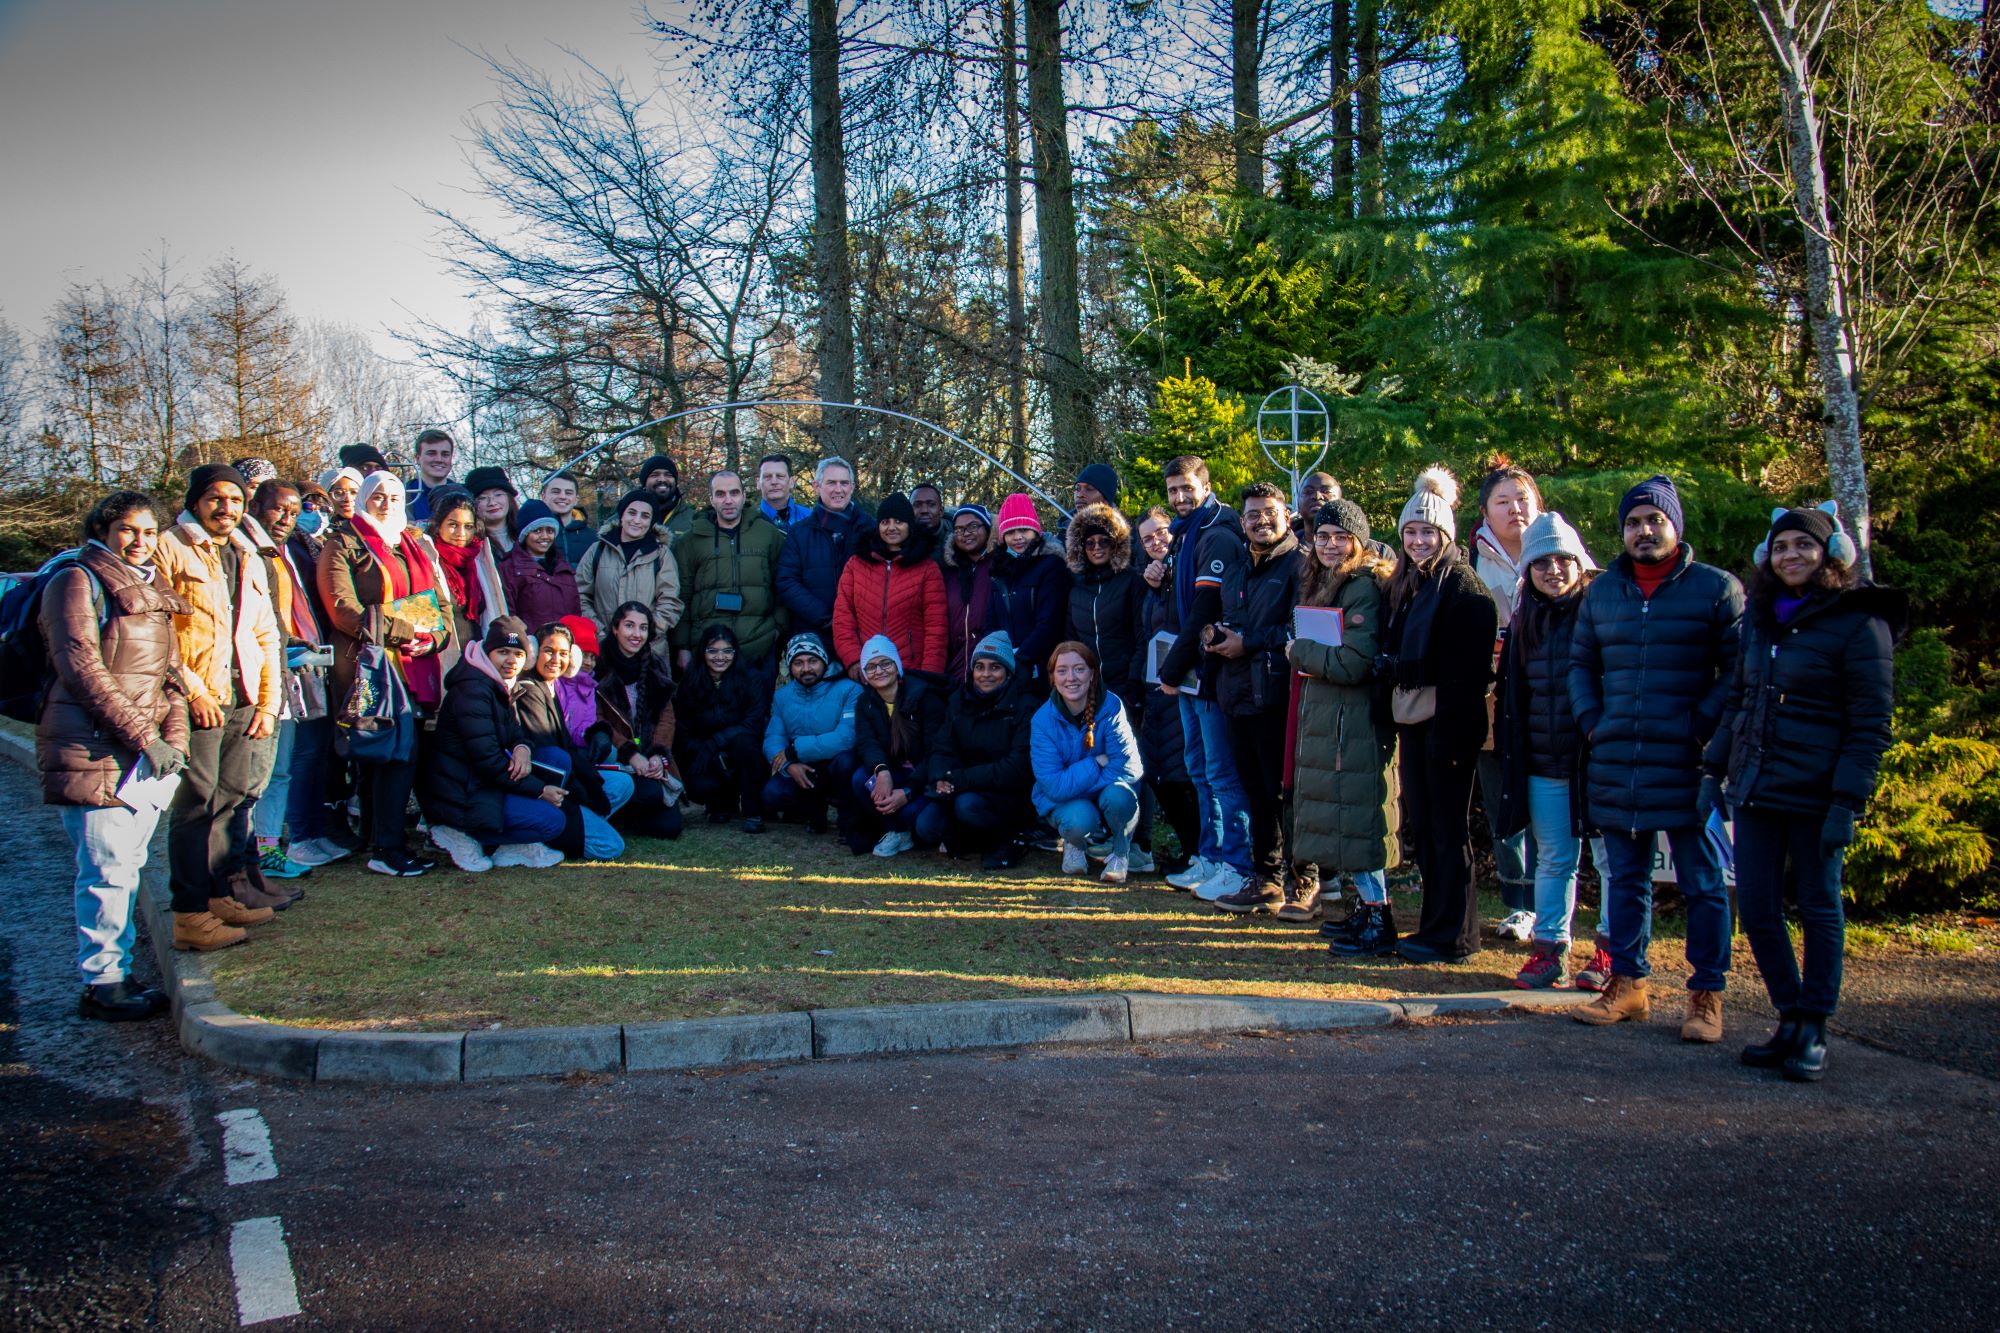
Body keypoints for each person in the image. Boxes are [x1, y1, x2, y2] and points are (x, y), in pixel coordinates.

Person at [1703, 505, 1901, 1081]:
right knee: (1760, 909)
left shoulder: (1859, 624)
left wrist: (1848, 803)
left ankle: (1815, 1023)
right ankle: (1788, 1014)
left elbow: (1871, 724)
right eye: (1782, 546)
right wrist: (1712, 772)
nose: (1792, 555)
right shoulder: (1761, 622)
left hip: (1819, 793)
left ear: (1829, 555)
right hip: (1759, 786)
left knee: (1818, 906)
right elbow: (1739, 701)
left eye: (1804, 546)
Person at [1570, 475, 1744, 1040]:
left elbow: (1739, 672)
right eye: (1634, 522)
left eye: (1655, 520)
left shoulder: (1716, 590)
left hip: (1688, 759)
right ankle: (1628, 985)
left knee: (1701, 880)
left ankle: (1705, 995)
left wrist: (1701, 726)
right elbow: (1581, 664)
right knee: (1625, 879)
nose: (1644, 531)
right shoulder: (1602, 592)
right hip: (1618, 754)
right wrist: (1593, 722)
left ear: (1675, 526)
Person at [39, 491, 206, 1015]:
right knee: (105, 870)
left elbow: (170, 676)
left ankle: (118, 972)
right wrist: (145, 738)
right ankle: (104, 982)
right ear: (102, 532)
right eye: (129, 531)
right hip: (93, 749)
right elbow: (83, 669)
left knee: (128, 865)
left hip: (142, 754)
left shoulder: (149, 587)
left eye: (149, 532)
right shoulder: (75, 581)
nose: (141, 541)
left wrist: (172, 741)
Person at [153, 464, 291, 939]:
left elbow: (265, 632)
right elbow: (161, 632)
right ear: (195, 502)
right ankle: (189, 911)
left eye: (235, 499)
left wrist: (268, 702)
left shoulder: (248, 554)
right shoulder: (169, 547)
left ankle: (219, 895)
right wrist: (192, 690)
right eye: (216, 498)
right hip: (200, 697)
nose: (226, 507)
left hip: (245, 697)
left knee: (231, 801)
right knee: (196, 804)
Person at [1378, 467, 1499, 963]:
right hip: (1417, 721)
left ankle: (1454, 935)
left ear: (1445, 534)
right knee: (1425, 829)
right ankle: (1435, 925)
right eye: (1410, 532)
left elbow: (1467, 674)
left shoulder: (1464, 590)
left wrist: (1448, 735)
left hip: (1448, 726)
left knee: (1447, 832)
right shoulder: (1410, 586)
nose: (1419, 540)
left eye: (1428, 532)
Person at [318, 471, 453, 877]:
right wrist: (405, 632)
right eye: (377, 496)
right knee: (385, 753)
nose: (387, 504)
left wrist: (433, 640)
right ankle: (386, 847)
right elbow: (342, 607)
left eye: (394, 497)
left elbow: (440, 606)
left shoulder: (412, 543)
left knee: (398, 754)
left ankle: (383, 839)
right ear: (362, 499)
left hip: (415, 665)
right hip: (370, 667)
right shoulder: (344, 543)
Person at [1493, 512, 1608, 988]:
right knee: (1555, 858)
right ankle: (1550, 949)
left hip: (1598, 760)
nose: (1553, 570)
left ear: (1580, 562)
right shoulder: (1526, 620)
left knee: (1611, 861)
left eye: (1563, 560)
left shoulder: (1602, 610)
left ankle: (1609, 954)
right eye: (1542, 562)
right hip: (1544, 760)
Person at [1293, 501, 1402, 944]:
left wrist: (1299, 652)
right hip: (1336, 718)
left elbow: (1355, 663)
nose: (1331, 545)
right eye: (1323, 537)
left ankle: (1378, 917)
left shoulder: (1363, 586)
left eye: (1341, 537)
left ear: (1358, 541)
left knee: (1361, 819)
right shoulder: (1328, 581)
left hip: (1354, 722)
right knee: (1349, 819)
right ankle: (1364, 910)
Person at [1155, 456, 1253, 901]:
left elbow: (1204, 611)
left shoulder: (1218, 533)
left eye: (1186, 488)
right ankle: (1211, 856)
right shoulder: (1184, 533)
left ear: (1206, 485)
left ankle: (1239, 862)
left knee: (1221, 772)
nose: (1179, 497)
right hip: (1188, 674)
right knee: (1198, 767)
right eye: (1172, 489)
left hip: (1209, 672)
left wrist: (1170, 669)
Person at [1205, 483, 1306, 913]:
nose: (1261, 521)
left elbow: (1299, 629)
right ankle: (1266, 880)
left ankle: (1305, 880)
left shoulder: (1301, 566)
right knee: (1255, 793)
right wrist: (1215, 636)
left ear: (1285, 514)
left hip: (1279, 695)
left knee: (1286, 791)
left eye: (1269, 513)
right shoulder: (1238, 566)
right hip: (1238, 695)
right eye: (1252, 515)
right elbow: (1229, 617)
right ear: (1242, 520)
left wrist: (1247, 643)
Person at [421, 617, 566, 869]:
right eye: (503, 652)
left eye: (518, 654)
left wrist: (522, 748)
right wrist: (539, 791)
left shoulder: (497, 683)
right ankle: (459, 833)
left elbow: (514, 733)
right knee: (553, 821)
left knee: (556, 759)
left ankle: (509, 844)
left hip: (482, 783)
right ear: (488, 652)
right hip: (461, 792)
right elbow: (487, 760)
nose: (511, 660)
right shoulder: (473, 690)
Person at [1471, 460, 1545, 940]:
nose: (1515, 509)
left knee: (1549, 807)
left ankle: (1550, 902)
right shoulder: (1469, 560)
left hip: (1547, 704)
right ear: (1485, 511)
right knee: (1504, 807)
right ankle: (1518, 901)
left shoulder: (1562, 554)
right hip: (1492, 704)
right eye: (1503, 501)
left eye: (1523, 499)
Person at [243, 481, 322, 879]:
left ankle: (269, 849)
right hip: (253, 676)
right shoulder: (243, 549)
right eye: (278, 510)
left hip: (286, 669)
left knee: (280, 769)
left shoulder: (284, 552)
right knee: (253, 770)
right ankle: (245, 856)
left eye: (293, 513)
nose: (286, 519)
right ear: (255, 505)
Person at [508, 621, 631, 863]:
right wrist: (584, 794)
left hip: (566, 780)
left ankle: (583, 821)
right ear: (534, 652)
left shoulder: (549, 687)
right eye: (549, 651)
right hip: (547, 789)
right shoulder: (529, 690)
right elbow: (552, 759)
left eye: (563, 654)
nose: (556, 659)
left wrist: (592, 786)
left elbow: (570, 748)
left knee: (623, 783)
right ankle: (546, 833)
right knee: (611, 847)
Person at [1031, 642, 1143, 883]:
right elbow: (1053, 785)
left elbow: (1127, 767)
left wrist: (1082, 782)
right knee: (1080, 817)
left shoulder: (1112, 706)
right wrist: (1095, 763)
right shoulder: (1042, 720)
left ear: (1092, 673)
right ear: (1052, 677)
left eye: (1079, 669)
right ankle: (1075, 844)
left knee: (1118, 798)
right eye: (1062, 670)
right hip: (1068, 801)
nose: (1071, 677)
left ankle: (1121, 853)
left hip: (1104, 791)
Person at [925, 631, 1036, 869]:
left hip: (1008, 794)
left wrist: (960, 779)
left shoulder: (1025, 706)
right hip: (962, 785)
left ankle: (1011, 837)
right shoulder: (959, 699)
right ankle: (974, 837)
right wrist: (940, 777)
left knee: (967, 807)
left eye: (995, 667)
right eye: (980, 667)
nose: (986, 674)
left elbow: (1017, 767)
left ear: (1008, 672)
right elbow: (942, 747)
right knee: (927, 826)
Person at [673, 470, 787, 679]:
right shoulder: (690, 541)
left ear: (744, 495)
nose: (728, 500)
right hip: (708, 651)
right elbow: (682, 596)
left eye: (734, 493)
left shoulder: (768, 534)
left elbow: (783, 586)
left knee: (756, 711)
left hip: (758, 647)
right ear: (711, 499)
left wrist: (776, 630)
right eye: (720, 494)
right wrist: (682, 646)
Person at [1135, 506, 1200, 871]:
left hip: (1186, 683)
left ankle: (1200, 850)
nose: (1156, 541)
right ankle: (1191, 848)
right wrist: (1156, 588)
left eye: (1161, 532)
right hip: (1155, 685)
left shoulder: (1187, 568)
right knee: (1159, 773)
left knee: (1185, 774)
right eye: (1147, 538)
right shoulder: (1151, 580)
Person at [591, 601, 685, 840]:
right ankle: (617, 809)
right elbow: (598, 719)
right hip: (615, 758)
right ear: (615, 628)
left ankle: (630, 813)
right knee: (650, 794)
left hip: (648, 760)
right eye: (629, 626)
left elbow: (666, 717)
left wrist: (657, 754)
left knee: (669, 828)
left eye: (643, 628)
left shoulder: (655, 664)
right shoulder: (598, 665)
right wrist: (631, 754)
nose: (636, 634)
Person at [850, 635, 948, 857]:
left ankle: (916, 826)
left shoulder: (925, 698)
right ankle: (896, 831)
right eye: (871, 666)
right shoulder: (865, 702)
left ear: (897, 666)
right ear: (865, 674)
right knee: (862, 779)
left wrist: (908, 791)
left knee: (913, 815)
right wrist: (881, 771)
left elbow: (936, 752)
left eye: (885, 663)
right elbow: (867, 742)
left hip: (926, 777)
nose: (879, 670)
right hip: (895, 772)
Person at [761, 633, 863, 845]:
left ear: (824, 661)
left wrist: (796, 750)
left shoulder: (850, 689)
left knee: (847, 762)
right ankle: (811, 811)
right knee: (772, 793)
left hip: (835, 764)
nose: (806, 668)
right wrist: (788, 765)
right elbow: (773, 737)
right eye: (798, 663)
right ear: (790, 666)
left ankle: (849, 822)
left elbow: (846, 737)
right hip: (802, 766)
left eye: (812, 661)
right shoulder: (783, 695)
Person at [832, 492, 947, 676]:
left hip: (911, 670)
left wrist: (929, 675)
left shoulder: (927, 568)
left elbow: (936, 628)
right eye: (885, 522)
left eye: (899, 522)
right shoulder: (856, 564)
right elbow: (842, 619)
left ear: (909, 525)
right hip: (868, 668)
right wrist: (853, 660)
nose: (891, 527)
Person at [674, 624, 770, 833]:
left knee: (744, 744)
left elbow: (754, 722)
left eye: (727, 651)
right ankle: (719, 803)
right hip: (705, 751)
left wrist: (716, 741)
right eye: (713, 651)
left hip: (740, 748)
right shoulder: (691, 681)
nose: (720, 657)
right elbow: (682, 725)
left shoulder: (750, 678)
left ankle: (753, 810)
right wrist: (701, 748)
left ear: (735, 652)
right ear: (703, 652)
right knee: (700, 785)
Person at [776, 455, 870, 652]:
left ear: (852, 487)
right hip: (813, 635)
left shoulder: (870, 530)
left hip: (863, 633)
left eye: (844, 483)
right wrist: (827, 616)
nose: (838, 489)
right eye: (831, 483)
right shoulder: (799, 533)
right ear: (816, 486)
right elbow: (787, 582)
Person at [576, 488, 682, 658]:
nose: (637, 520)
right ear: (622, 515)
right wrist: (601, 633)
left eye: (645, 516)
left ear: (651, 522)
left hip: (649, 651)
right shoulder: (598, 550)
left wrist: (643, 633)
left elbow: (670, 602)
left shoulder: (661, 555)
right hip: (603, 649)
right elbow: (580, 596)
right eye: (632, 513)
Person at [1063, 503, 1146, 715]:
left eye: (1104, 541)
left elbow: (1142, 636)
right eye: (1089, 543)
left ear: (1116, 543)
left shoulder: (1131, 581)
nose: (1097, 547)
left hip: (1125, 688)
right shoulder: (1075, 588)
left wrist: (1134, 682)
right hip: (1086, 689)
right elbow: (1070, 640)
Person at [988, 494, 1071, 694]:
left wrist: (1020, 658)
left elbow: (1049, 623)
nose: (1018, 537)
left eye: (1024, 530)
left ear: (1035, 531)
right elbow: (991, 622)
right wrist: (996, 657)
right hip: (1009, 667)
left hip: (1045, 666)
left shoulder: (1051, 565)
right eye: (1010, 532)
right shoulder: (999, 571)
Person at [426, 487, 506, 647]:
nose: (461, 533)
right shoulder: (427, 559)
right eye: (453, 525)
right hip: (442, 654)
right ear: (438, 525)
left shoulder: (481, 559)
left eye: (468, 526)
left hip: (477, 656)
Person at [497, 499, 582, 628]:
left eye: (550, 531)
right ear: (525, 534)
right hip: (529, 645)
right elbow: (507, 618)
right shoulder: (510, 568)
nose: (545, 536)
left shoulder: (564, 569)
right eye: (537, 531)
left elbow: (576, 613)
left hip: (563, 645)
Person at [940, 503, 999, 684]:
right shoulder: (950, 571)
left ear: (988, 528)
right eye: (959, 529)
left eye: (973, 526)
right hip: (956, 670)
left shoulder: (1001, 565)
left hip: (992, 668)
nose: (966, 533)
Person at [540, 471, 598, 567]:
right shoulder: (532, 536)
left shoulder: (594, 538)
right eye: (556, 491)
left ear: (576, 499)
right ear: (543, 496)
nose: (562, 496)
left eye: (568, 493)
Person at [637, 453, 697, 544]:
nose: (662, 479)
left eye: (668, 475)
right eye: (655, 475)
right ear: (644, 482)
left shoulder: (694, 520)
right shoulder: (627, 517)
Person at [464, 466, 519, 557]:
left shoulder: (527, 536)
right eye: (483, 498)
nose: (492, 503)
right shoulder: (470, 544)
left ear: (509, 498)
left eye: (498, 495)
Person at [406, 427, 457, 522]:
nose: (439, 459)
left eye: (445, 454)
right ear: (417, 458)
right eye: (431, 453)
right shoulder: (402, 496)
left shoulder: (465, 495)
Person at [756, 453, 809, 530]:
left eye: (780, 476)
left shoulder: (810, 519)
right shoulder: (747, 523)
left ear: (791, 482)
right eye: (767, 476)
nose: (774, 482)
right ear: (758, 483)